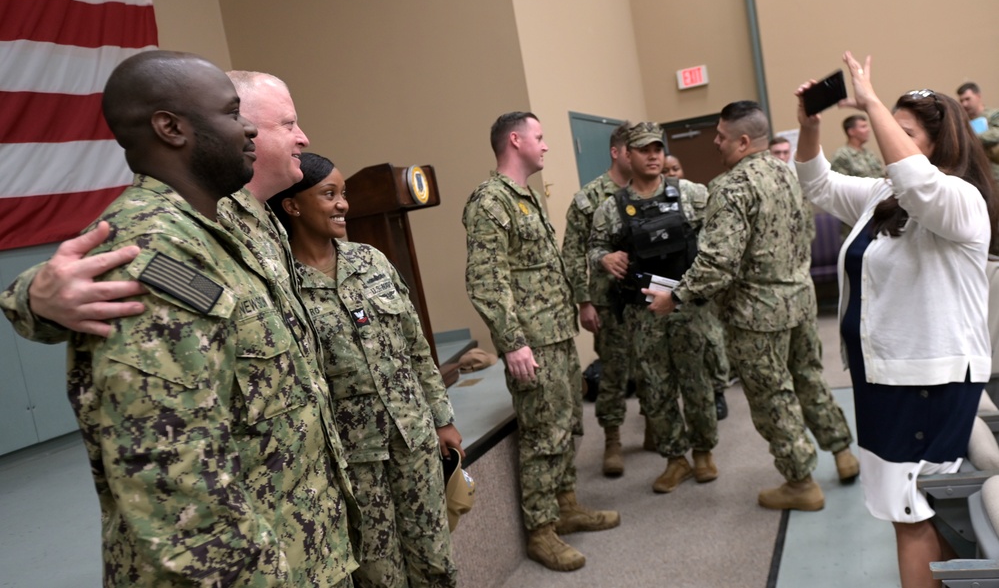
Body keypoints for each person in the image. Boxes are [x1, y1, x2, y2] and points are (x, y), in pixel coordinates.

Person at [0, 51, 358, 586]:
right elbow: (176, 480)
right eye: (233, 114)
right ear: (170, 127)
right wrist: (29, 297)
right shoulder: (152, 246)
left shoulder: (227, 224)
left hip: (301, 539)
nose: (249, 132)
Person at [796, 53, 998, 588]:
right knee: (905, 510)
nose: (892, 142)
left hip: (926, 381)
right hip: (885, 376)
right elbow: (817, 185)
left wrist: (871, 101)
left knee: (909, 514)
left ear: (938, 144)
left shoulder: (960, 201)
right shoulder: (885, 194)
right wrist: (809, 125)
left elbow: (920, 183)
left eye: (904, 133)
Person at [642, 101, 858, 512]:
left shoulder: (731, 186)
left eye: (721, 135)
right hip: (799, 297)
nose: (715, 141)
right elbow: (806, 233)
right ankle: (842, 453)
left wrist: (678, 296)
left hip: (757, 313)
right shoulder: (789, 171)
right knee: (809, 376)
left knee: (772, 395)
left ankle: (800, 482)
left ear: (743, 141)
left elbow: (718, 260)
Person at [269, 153, 462, 587]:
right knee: (379, 571)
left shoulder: (370, 260)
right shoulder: (283, 285)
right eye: (329, 194)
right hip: (354, 459)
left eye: (344, 194)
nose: (343, 205)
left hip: (413, 438)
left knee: (434, 558)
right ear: (293, 206)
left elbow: (415, 346)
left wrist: (442, 418)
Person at [463, 112, 620, 572]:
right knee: (542, 435)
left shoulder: (525, 197)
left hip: (556, 334)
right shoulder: (491, 201)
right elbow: (486, 279)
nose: (546, 145)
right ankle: (540, 530)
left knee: (567, 422)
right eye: (540, 137)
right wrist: (511, 343)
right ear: (515, 140)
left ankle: (565, 505)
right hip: (532, 340)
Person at [589, 122, 719, 494]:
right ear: (627, 154)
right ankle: (675, 458)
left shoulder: (692, 194)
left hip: (686, 307)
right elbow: (595, 247)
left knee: (697, 383)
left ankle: (703, 453)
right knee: (656, 388)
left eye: (658, 149)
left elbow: (715, 241)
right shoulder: (610, 209)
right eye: (644, 149)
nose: (653, 156)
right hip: (643, 313)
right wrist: (604, 258)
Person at [561, 122, 636, 476]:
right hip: (608, 301)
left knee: (654, 368)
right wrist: (584, 301)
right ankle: (613, 439)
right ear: (617, 152)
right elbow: (573, 253)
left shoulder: (651, 190)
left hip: (650, 298)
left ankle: (657, 429)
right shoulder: (590, 198)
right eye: (632, 149)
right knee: (614, 371)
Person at [662, 151, 733, 421]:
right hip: (672, 282)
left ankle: (718, 391)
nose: (671, 175)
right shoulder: (657, 203)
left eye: (675, 169)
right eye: (666, 171)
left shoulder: (697, 196)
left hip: (701, 280)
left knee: (712, 340)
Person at [957, 81, 999, 182]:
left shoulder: (994, 115)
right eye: (961, 101)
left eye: (967, 99)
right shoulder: (962, 122)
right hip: (975, 175)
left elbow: (996, 133)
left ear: (978, 96)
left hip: (994, 172)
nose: (964, 104)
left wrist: (970, 138)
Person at [830, 115, 884, 180]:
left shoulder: (870, 154)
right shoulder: (842, 156)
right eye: (863, 127)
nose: (868, 130)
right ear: (851, 132)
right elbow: (840, 184)